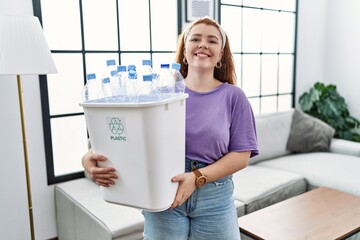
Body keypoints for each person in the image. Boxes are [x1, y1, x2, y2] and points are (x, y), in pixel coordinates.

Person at [82, 16, 259, 240]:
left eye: (212, 41)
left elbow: (241, 155)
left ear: (221, 55)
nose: (203, 44)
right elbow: (133, 135)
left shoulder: (234, 97)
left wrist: (196, 178)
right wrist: (89, 156)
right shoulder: (161, 94)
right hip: (164, 190)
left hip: (214, 197)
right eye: (195, 39)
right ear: (185, 51)